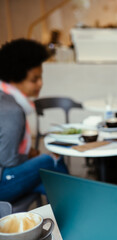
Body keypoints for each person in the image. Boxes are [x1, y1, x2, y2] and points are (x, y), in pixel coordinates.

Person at [0, 38, 68, 202]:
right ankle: (78, 207)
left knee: (51, 183)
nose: (41, 83)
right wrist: (29, 156)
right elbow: (8, 160)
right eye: (34, 79)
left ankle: (69, 206)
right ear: (15, 78)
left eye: (41, 77)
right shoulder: (12, 111)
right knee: (50, 160)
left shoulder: (5, 99)